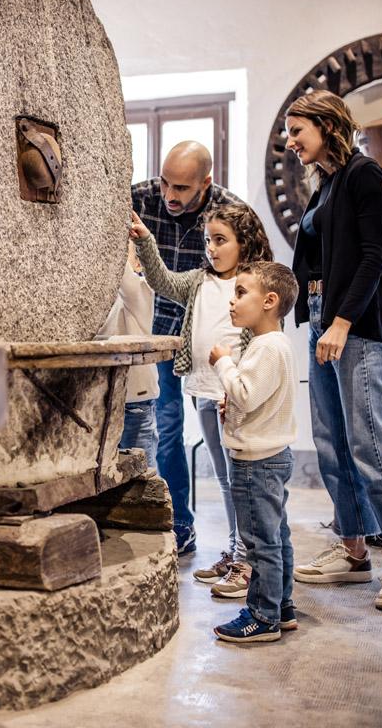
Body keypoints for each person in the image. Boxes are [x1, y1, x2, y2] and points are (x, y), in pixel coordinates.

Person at [286, 89, 382, 612]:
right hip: (323, 320)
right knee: (331, 442)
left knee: (369, 443)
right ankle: (353, 551)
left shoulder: (365, 175)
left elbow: (374, 259)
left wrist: (342, 322)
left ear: (327, 126)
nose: (291, 141)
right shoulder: (324, 185)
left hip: (358, 326)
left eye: (297, 131)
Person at [129, 201, 272, 582]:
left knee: (244, 479)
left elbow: (263, 337)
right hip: (205, 393)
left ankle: (251, 557)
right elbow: (162, 281)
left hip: (236, 395)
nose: (212, 248)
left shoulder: (254, 285)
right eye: (209, 240)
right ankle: (235, 548)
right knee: (225, 478)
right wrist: (145, 241)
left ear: (246, 242)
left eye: (221, 240)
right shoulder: (199, 281)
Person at [132, 141, 248, 555]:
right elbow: (161, 280)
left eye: (182, 188)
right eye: (166, 183)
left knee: (228, 451)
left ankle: (245, 548)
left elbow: (260, 284)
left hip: (211, 345)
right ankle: (178, 523)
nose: (170, 196)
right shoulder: (139, 198)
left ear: (207, 182)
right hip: (156, 331)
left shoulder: (230, 214)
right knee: (165, 428)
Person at [208, 261, 299, 643]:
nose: (233, 301)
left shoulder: (265, 347)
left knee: (260, 543)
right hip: (273, 454)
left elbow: (245, 392)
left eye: (241, 292)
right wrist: (236, 405)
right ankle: (282, 605)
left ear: (270, 301)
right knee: (276, 535)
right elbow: (258, 399)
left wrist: (223, 363)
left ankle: (262, 617)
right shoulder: (275, 345)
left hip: (255, 463)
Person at [97, 241, 160, 469]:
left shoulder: (141, 293)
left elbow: (126, 281)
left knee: (141, 472)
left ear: (137, 263)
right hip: (106, 400)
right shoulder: (100, 299)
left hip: (136, 401)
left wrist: (108, 239)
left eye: (123, 253)